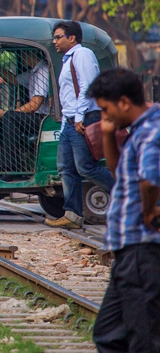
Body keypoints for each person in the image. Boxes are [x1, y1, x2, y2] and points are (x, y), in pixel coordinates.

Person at [86, 68, 160, 353]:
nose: (105, 116)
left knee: (144, 338)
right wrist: (108, 135)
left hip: (143, 249)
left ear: (124, 102)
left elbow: (150, 178)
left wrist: (148, 209)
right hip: (129, 250)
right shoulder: (137, 132)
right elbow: (120, 173)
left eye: (106, 109)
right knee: (109, 335)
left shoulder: (152, 131)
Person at [48, 20, 112, 229]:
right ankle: (73, 215)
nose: (54, 41)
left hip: (82, 119)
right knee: (66, 168)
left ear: (71, 37)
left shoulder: (82, 55)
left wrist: (78, 117)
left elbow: (88, 87)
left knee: (86, 167)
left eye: (58, 37)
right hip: (70, 122)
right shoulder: (69, 59)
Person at [0, 51, 51, 174]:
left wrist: (8, 113)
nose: (20, 58)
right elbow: (12, 80)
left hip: (44, 120)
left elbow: (34, 105)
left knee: (10, 118)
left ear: (29, 54)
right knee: (0, 120)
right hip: (35, 117)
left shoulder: (43, 71)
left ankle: (10, 168)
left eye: (21, 54)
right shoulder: (33, 72)